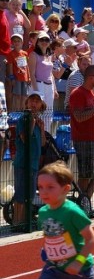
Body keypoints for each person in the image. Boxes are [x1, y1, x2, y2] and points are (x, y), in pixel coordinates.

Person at [68, 65, 94, 204]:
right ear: (91, 78)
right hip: (83, 139)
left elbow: (93, 114)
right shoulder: (78, 93)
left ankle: (85, 201)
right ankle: (80, 203)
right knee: (85, 174)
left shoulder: (93, 92)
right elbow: (79, 117)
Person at [12, 92, 46, 230]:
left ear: (41, 105)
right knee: (20, 194)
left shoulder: (38, 122)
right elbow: (25, 139)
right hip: (22, 163)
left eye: (37, 101)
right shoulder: (23, 120)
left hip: (33, 163)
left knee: (30, 194)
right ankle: (17, 222)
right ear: (26, 103)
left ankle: (25, 221)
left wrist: (42, 129)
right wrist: (32, 123)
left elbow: (43, 143)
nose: (34, 103)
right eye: (31, 100)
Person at [6, 33, 29, 110]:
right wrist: (12, 78)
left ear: (22, 42)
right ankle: (16, 111)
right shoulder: (11, 54)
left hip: (25, 78)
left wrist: (29, 78)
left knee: (24, 96)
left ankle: (22, 111)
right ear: (12, 43)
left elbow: (27, 67)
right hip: (17, 78)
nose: (16, 43)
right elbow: (10, 67)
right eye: (14, 41)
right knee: (17, 95)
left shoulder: (25, 53)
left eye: (18, 41)